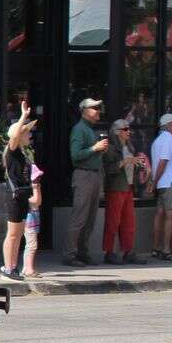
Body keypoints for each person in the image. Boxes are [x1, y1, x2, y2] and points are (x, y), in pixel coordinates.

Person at [64, 97, 110, 267]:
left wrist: (98, 151)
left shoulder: (89, 130)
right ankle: (70, 255)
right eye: (94, 108)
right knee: (79, 218)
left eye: (98, 107)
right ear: (84, 111)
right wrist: (94, 148)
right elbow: (75, 156)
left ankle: (82, 252)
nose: (98, 110)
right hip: (84, 176)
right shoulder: (79, 129)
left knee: (90, 219)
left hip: (95, 176)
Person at [0, 102, 36, 278]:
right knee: (13, 234)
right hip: (14, 195)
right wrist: (23, 116)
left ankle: (13, 266)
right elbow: (13, 136)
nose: (30, 134)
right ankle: (8, 267)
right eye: (27, 131)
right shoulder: (12, 150)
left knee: (19, 233)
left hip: (22, 195)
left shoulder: (22, 152)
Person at [101, 118, 144, 264]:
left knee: (129, 222)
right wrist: (124, 162)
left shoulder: (129, 147)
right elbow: (108, 169)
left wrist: (138, 162)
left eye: (129, 128)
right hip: (115, 188)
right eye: (125, 129)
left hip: (128, 187)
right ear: (117, 132)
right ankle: (109, 252)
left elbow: (131, 167)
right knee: (113, 221)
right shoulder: (111, 148)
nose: (129, 131)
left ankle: (128, 251)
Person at [153, 112, 172, 261]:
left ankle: (156, 248)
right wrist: (155, 181)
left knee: (160, 214)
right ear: (168, 125)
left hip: (164, 183)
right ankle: (166, 249)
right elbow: (163, 162)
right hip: (171, 182)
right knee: (171, 216)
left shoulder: (158, 140)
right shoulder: (169, 139)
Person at [23, 161, 43, 277]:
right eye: (36, 179)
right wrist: (36, 188)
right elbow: (36, 201)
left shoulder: (31, 190)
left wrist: (36, 188)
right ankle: (29, 268)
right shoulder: (28, 192)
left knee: (30, 245)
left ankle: (27, 268)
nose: (37, 181)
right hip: (29, 223)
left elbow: (38, 202)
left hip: (33, 222)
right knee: (31, 245)